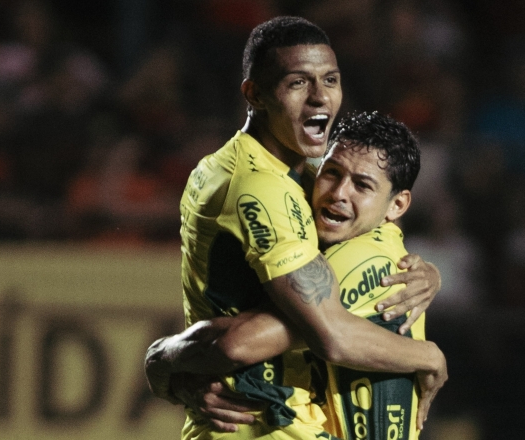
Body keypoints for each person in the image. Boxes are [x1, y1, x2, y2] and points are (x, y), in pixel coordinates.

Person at [146, 16, 446, 440]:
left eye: (330, 80)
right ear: (255, 94)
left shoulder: (279, 170)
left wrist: (430, 274)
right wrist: (429, 356)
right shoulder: (261, 187)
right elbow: (330, 335)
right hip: (260, 426)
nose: (320, 96)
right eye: (298, 83)